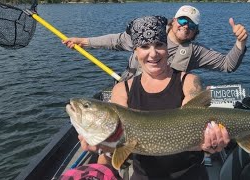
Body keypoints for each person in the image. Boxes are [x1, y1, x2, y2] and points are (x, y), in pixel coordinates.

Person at [78, 15, 230, 180]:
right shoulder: (122, 89)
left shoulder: (189, 81)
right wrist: (104, 147)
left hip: (190, 175)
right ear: (135, 52)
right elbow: (119, 149)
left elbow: (192, 124)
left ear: (167, 47)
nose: (153, 53)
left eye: (159, 45)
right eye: (144, 46)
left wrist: (210, 144)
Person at [63, 5, 248, 81]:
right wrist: (83, 41)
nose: (185, 27)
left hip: (166, 103)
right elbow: (116, 41)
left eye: (191, 24)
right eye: (183, 21)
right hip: (132, 89)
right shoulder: (149, 33)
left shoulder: (196, 51)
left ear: (195, 30)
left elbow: (227, 65)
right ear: (173, 21)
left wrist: (240, 43)